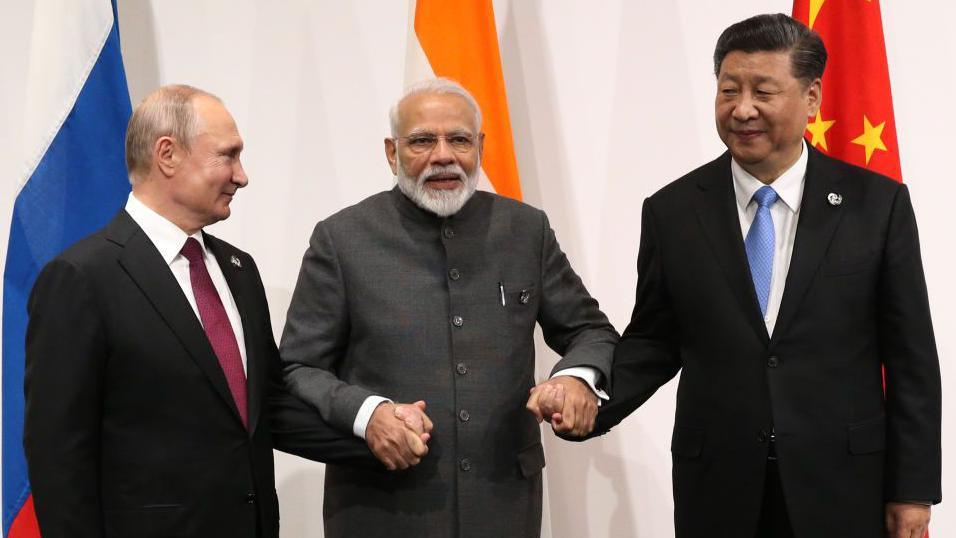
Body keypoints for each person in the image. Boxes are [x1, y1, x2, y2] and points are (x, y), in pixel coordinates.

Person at [588, 13, 941, 538]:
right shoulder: (673, 211)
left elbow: (911, 357)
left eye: (763, 91)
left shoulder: (877, 205)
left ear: (812, 98)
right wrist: (587, 395)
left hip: (843, 486)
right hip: (720, 488)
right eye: (729, 90)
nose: (742, 108)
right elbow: (654, 342)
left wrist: (912, 489)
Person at [23, 85, 393, 538]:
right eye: (228, 155)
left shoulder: (239, 269)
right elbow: (58, 454)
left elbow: (265, 408)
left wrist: (377, 430)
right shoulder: (82, 277)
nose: (242, 176)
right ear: (168, 154)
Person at [279, 77, 618, 537]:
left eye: (458, 139)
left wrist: (574, 378)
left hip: (503, 507)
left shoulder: (525, 230)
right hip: (381, 510)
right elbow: (299, 366)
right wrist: (368, 413)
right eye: (421, 140)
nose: (443, 155)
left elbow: (589, 331)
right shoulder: (342, 239)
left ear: (479, 146)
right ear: (391, 152)